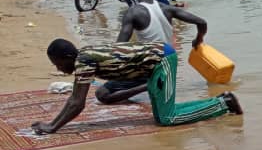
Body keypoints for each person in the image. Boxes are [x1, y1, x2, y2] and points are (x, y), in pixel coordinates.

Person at [34, 39, 241, 134]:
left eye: (59, 64)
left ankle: (223, 103)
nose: (60, 70)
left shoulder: (84, 61)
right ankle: (220, 101)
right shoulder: (85, 55)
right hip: (151, 64)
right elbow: (76, 99)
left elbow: (77, 102)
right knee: (163, 114)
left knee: (167, 119)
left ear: (68, 57)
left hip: (162, 60)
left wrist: (52, 127)